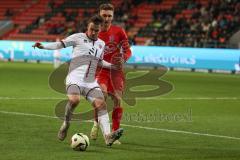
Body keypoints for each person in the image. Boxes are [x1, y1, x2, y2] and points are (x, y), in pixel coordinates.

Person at [32, 15, 123, 146]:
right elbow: (60, 44)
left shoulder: (101, 44)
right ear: (88, 26)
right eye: (91, 29)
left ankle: (108, 136)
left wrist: (113, 66)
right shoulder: (77, 37)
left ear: (100, 29)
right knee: (74, 100)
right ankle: (66, 123)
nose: (93, 32)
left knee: (101, 104)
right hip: (74, 78)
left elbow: (99, 61)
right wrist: (44, 46)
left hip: (90, 81)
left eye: (96, 30)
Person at [90, 4, 132, 145]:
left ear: (113, 17)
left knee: (117, 100)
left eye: (109, 16)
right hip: (100, 71)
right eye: (104, 15)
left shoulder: (119, 32)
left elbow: (128, 51)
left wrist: (124, 58)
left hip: (116, 72)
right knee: (102, 96)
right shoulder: (93, 32)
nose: (106, 18)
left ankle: (114, 132)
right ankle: (96, 122)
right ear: (99, 15)